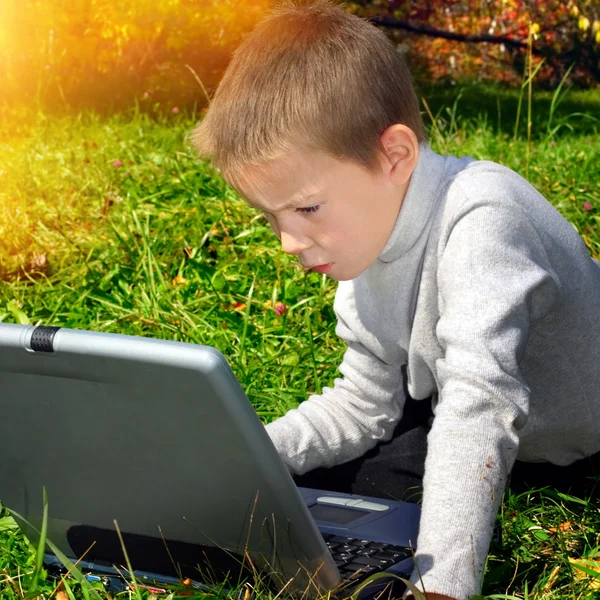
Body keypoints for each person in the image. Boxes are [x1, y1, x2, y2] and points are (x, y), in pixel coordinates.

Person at [191, 1, 600, 598]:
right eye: (269, 216)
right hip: (459, 402)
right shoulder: (362, 241)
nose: (287, 241)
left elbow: (481, 408)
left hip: (572, 431)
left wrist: (440, 589)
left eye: (305, 208)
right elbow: (363, 404)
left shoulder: (483, 217)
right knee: (333, 488)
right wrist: (254, 457)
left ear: (395, 156)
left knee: (426, 475)